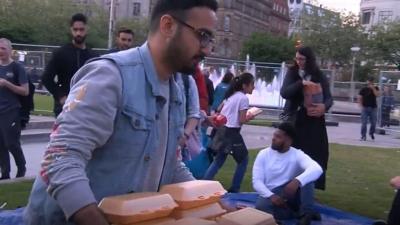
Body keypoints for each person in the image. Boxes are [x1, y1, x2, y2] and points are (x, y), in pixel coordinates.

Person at [23, 1, 218, 225]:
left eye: (210, 40)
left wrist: (213, 206)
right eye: (202, 36)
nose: (207, 49)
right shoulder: (110, 76)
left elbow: (168, 165)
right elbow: (60, 159)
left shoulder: (176, 89)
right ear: (168, 26)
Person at [280, 46, 333, 191]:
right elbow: (284, 92)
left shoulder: (318, 75)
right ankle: (288, 187)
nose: (299, 62)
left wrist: (324, 107)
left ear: (309, 59)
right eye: (297, 58)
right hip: (295, 120)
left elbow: (329, 98)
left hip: (313, 121)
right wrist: (301, 83)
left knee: (314, 154)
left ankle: (308, 189)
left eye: (302, 59)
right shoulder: (292, 73)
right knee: (292, 155)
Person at [253, 122, 323, 225]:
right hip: (272, 194)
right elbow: (257, 181)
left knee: (308, 179)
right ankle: (297, 213)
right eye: (274, 135)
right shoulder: (263, 154)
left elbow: (317, 169)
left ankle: (305, 216)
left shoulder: (297, 154)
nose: (273, 138)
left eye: (278, 137)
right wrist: (271, 196)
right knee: (260, 207)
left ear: (288, 141)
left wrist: (297, 181)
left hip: (291, 193)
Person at [203, 72, 256, 193]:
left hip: (222, 130)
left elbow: (220, 109)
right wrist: (251, 116)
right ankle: (235, 188)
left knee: (219, 160)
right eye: (252, 84)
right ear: (244, 86)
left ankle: (203, 184)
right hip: (232, 132)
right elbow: (241, 120)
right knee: (243, 160)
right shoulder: (243, 98)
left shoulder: (231, 96)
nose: (254, 87)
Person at [42, 13, 97, 117]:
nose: (78, 33)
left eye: (81, 30)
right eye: (75, 30)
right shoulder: (61, 53)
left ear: (86, 30)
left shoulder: (93, 56)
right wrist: (61, 96)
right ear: (71, 30)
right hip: (65, 107)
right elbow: (46, 78)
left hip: (86, 107)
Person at [0, 38, 28, 180]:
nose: (1, 51)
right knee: (1, 144)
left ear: (10, 50)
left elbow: (25, 91)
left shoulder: (17, 68)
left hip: (11, 110)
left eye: (3, 48)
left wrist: (7, 84)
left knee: (11, 142)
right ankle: (5, 174)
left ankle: (21, 167)